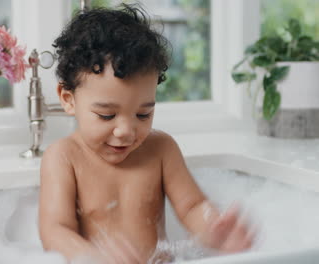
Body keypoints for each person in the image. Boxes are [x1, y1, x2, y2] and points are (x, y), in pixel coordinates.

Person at [39, 4, 254, 263]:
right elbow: (54, 230)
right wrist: (90, 256)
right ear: (68, 99)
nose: (126, 131)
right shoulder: (64, 157)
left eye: (143, 114)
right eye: (106, 115)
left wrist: (213, 228)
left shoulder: (161, 149)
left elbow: (192, 206)